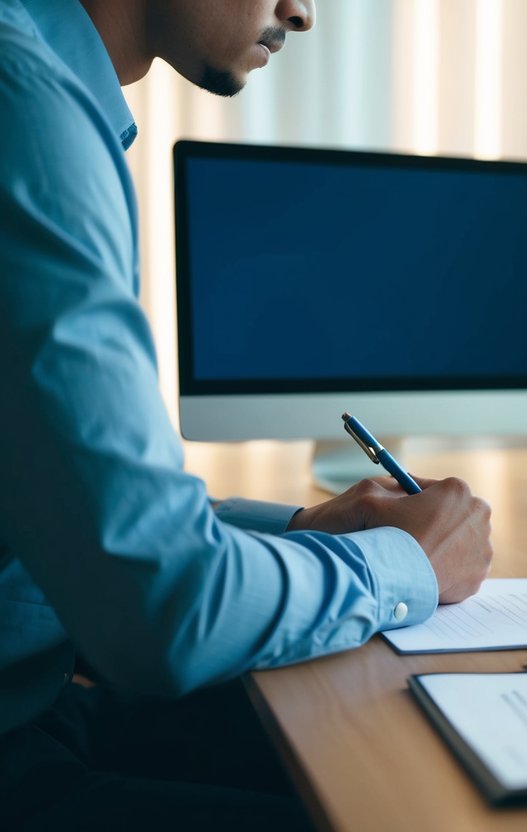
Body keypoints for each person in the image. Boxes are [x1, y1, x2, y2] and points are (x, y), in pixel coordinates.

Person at [0, 0, 493, 827]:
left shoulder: (48, 97)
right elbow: (165, 611)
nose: (301, 12)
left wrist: (302, 527)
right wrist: (406, 565)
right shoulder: (26, 112)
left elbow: (77, 513)